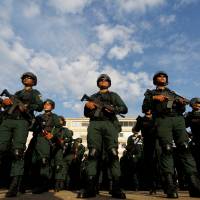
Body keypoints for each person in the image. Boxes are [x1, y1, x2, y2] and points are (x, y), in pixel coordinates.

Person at [142, 71, 200, 198]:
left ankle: (195, 186)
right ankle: (169, 186)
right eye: (159, 76)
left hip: (178, 120)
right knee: (166, 149)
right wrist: (154, 98)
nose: (162, 78)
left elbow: (182, 109)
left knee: (185, 148)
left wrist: (181, 103)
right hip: (162, 120)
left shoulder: (173, 93)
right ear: (155, 80)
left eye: (164, 76)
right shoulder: (150, 93)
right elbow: (145, 108)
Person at [77, 74, 128, 199]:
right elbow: (87, 114)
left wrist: (114, 109)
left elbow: (124, 109)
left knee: (113, 153)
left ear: (109, 83)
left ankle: (116, 188)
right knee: (93, 153)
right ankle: (90, 188)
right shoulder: (93, 97)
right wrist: (87, 106)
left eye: (106, 80)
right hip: (95, 124)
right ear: (98, 83)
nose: (103, 81)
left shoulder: (113, 95)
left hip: (110, 124)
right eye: (101, 80)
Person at [0, 72, 43, 197]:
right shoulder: (17, 93)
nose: (27, 79)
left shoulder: (35, 93)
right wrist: (5, 103)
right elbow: (6, 106)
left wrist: (28, 107)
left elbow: (39, 106)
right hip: (8, 121)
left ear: (34, 81)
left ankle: (14, 186)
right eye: (25, 77)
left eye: (30, 78)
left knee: (18, 152)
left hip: (22, 122)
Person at [31, 99, 61, 194]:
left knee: (44, 160)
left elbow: (58, 127)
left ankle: (43, 185)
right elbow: (32, 128)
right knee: (34, 161)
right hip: (36, 138)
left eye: (49, 105)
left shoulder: (54, 116)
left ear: (52, 107)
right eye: (45, 104)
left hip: (45, 139)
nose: (46, 106)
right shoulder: (39, 116)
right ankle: (32, 183)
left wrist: (53, 134)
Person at [132, 110, 160, 194]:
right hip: (148, 143)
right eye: (146, 108)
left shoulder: (157, 117)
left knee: (161, 164)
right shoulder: (141, 119)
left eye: (149, 108)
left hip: (158, 142)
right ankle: (152, 186)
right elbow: (135, 130)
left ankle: (166, 185)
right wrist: (137, 126)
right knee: (150, 165)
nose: (148, 110)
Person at [53, 116, 74, 192]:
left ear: (63, 122)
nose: (58, 121)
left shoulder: (65, 130)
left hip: (59, 149)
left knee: (58, 166)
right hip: (49, 148)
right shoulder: (52, 128)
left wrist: (63, 141)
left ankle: (57, 185)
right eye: (57, 120)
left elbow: (69, 138)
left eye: (60, 120)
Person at [185, 98, 200, 172]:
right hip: (195, 141)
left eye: (199, 103)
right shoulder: (189, 115)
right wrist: (189, 135)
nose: (198, 105)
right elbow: (182, 126)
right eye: (196, 103)